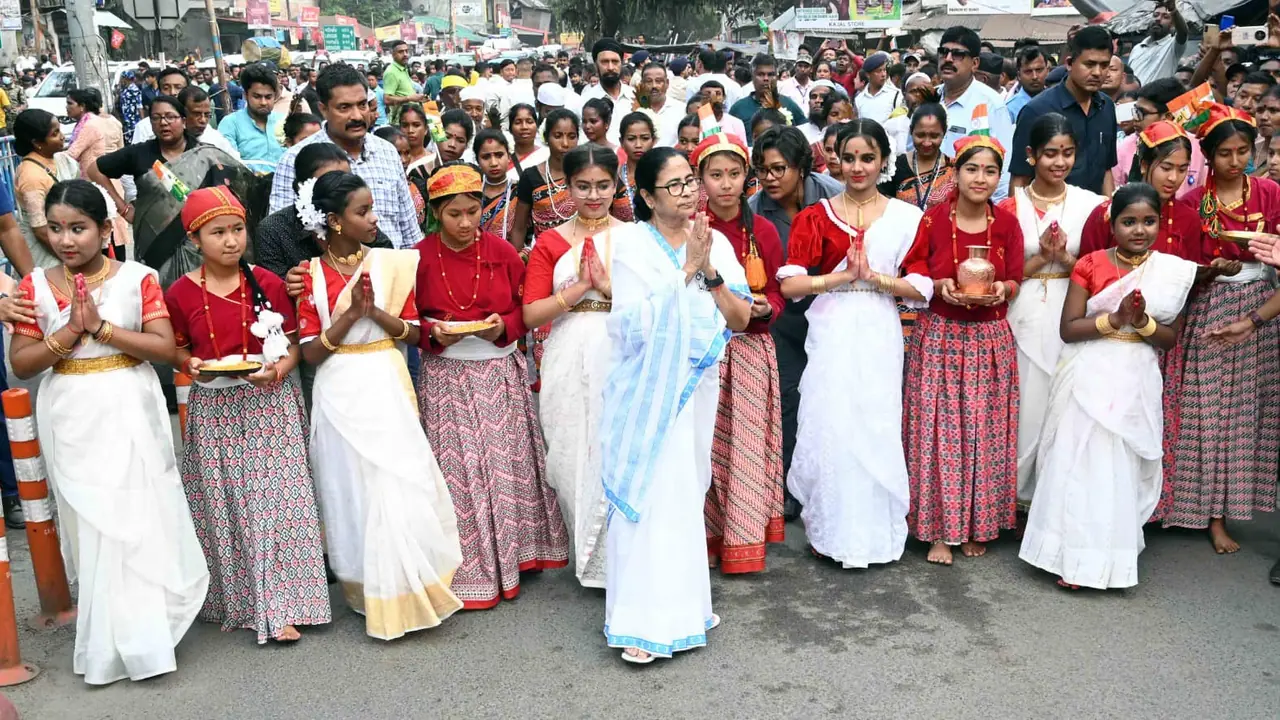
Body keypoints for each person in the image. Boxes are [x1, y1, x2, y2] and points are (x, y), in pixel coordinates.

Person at [10, 179, 209, 683]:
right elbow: (23, 363)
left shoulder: (138, 278)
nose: (65, 240)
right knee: (92, 522)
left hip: (129, 403)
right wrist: (70, 331)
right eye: (56, 229)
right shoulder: (34, 286)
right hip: (69, 412)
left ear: (104, 229)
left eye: (78, 228)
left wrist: (101, 329)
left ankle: (145, 634)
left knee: (138, 513)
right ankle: (107, 637)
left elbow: (163, 348)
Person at [294, 170, 464, 638]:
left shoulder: (391, 264)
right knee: (352, 489)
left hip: (386, 381)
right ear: (334, 221)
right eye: (363, 211)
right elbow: (310, 353)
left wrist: (375, 313)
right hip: (338, 390)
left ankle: (411, 588)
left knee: (397, 482)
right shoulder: (310, 275)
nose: (375, 219)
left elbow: (413, 332)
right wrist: (351, 314)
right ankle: (370, 590)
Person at [601, 146, 751, 663]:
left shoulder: (716, 241)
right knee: (652, 493)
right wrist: (685, 269)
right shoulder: (629, 244)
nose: (689, 192)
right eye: (675, 185)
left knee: (686, 490)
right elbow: (628, 326)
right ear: (646, 196)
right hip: (646, 388)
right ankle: (640, 624)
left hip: (695, 385)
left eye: (691, 181)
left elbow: (740, 319)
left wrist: (709, 270)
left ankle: (686, 611)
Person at [164, 187, 330, 644]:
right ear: (195, 239)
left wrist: (277, 370)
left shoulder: (268, 283)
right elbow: (177, 348)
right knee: (230, 505)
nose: (231, 240)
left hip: (269, 404)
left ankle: (284, 606)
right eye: (217, 232)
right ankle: (243, 600)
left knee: (279, 505)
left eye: (237, 229)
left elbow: (293, 346)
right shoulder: (180, 293)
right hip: (214, 409)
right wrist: (189, 364)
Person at [1020, 183, 1198, 589]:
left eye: (1149, 221)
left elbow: (1169, 339)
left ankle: (1108, 560)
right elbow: (1069, 329)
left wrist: (1142, 322)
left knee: (1118, 466)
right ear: (1112, 224)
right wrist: (1115, 320)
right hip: (1088, 372)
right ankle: (1066, 558)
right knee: (1078, 462)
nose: (1139, 230)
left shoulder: (1172, 272)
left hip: (1136, 376)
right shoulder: (1090, 264)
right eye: (1129, 222)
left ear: (1160, 223)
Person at [414, 163, 569, 609]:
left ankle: (517, 555)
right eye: (454, 214)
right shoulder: (418, 257)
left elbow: (527, 310)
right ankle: (468, 565)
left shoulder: (502, 252)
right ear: (436, 213)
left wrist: (503, 326)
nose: (466, 223)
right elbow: (407, 320)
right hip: (446, 377)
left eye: (472, 212)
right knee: (457, 471)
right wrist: (431, 333)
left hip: (499, 373)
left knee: (507, 466)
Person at [780, 119, 929, 568]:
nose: (857, 167)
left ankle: (877, 534)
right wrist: (842, 276)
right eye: (848, 158)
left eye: (867, 158)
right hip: (832, 326)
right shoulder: (814, 217)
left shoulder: (907, 218)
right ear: (835, 161)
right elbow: (791, 286)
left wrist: (875, 278)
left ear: (884, 161)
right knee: (831, 422)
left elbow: (921, 288)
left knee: (874, 421)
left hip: (880, 326)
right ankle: (830, 531)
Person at [903, 134, 1024, 566]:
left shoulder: (1006, 223)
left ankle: (975, 525)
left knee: (983, 433)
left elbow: (1016, 276)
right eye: (972, 169)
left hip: (989, 338)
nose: (980, 178)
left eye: (990, 171)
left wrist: (1002, 290)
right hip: (940, 334)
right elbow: (913, 264)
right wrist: (939, 284)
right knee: (937, 431)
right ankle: (939, 529)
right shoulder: (934, 218)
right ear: (955, 173)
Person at [1168, 104, 1280, 553]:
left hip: (1261, 309)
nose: (1235, 161)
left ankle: (1222, 515)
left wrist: (1253, 318)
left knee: (1244, 415)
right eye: (1225, 153)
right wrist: (1210, 270)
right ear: (1209, 156)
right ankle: (1189, 508)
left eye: (1243, 151)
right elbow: (1182, 268)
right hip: (1209, 306)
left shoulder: (1270, 193)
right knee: (1204, 413)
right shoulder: (1192, 202)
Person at [685, 132, 787, 573]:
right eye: (715, 175)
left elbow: (778, 292)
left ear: (747, 176)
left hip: (748, 352)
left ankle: (741, 540)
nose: (725, 184)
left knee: (742, 449)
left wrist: (768, 307)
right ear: (699, 180)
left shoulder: (762, 230)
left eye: (733, 174)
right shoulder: (690, 231)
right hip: (702, 352)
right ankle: (701, 538)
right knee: (703, 445)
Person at [522, 144, 622, 588]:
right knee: (568, 453)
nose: (593, 195)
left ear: (616, 186)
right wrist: (580, 288)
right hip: (566, 352)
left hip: (620, 350)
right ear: (567, 187)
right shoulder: (550, 242)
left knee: (613, 447)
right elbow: (531, 314)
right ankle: (587, 555)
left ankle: (620, 557)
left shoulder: (634, 238)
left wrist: (607, 287)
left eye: (602, 186)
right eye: (583, 186)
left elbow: (650, 304)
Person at [998, 113, 1106, 510]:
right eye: (1050, 154)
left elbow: (1102, 269)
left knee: (1064, 403)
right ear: (1031, 155)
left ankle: (1054, 498)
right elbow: (1002, 273)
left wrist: (1065, 258)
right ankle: (1015, 498)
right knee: (1026, 404)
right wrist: (1043, 257)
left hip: (1070, 309)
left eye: (1067, 153)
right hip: (1023, 309)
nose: (1059, 162)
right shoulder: (1010, 207)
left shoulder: (1092, 206)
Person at [748, 126, 843, 518]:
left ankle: (831, 484)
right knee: (788, 397)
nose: (770, 178)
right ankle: (788, 486)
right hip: (783, 317)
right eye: (762, 170)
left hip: (834, 311)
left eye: (779, 169)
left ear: (801, 167)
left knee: (832, 399)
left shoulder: (834, 195)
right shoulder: (754, 209)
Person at [89, 96, 250, 286]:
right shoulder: (139, 153)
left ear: (183, 120)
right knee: (157, 290)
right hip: (154, 242)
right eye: (156, 118)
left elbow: (238, 185)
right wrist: (123, 209)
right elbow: (94, 170)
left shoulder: (205, 153)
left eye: (170, 117)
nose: (163, 123)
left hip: (197, 243)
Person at [270, 64, 423, 251]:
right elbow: (280, 235)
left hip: (391, 266)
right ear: (323, 109)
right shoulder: (295, 159)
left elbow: (409, 229)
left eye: (362, 105)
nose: (357, 116)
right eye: (344, 107)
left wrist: (411, 264)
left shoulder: (388, 152)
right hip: (325, 268)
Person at [255, 142, 394, 282]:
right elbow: (271, 287)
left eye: (346, 179)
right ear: (302, 188)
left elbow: (390, 264)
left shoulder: (357, 223)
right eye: (331, 180)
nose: (345, 188)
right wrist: (289, 286)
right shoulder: (274, 230)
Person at [1011, 27, 1116, 197]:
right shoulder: (1036, 110)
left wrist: (1108, 209)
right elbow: (1020, 179)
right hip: (1047, 211)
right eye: (1089, 64)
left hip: (1096, 211)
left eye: (1104, 65)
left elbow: (1106, 170)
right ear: (1068, 63)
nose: (1097, 72)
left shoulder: (1107, 107)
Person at [936, 28, 1015, 200]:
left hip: (972, 204)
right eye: (943, 52)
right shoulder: (929, 99)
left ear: (975, 63)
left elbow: (1004, 164)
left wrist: (995, 208)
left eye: (958, 54)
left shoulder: (991, 104)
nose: (948, 59)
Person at [1111, 78, 1207, 199]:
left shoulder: (1199, 148)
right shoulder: (1123, 149)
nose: (1135, 118)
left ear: (1168, 117)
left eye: (1142, 113)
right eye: (1135, 111)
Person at [510, 108, 581, 246]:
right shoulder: (531, 177)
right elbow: (519, 228)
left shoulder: (586, 174)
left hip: (581, 251)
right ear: (546, 137)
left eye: (572, 137)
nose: (565, 143)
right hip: (544, 252)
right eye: (558, 136)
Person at [13, 109, 73, 271]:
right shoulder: (31, 175)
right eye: (55, 134)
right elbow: (40, 229)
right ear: (36, 142)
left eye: (60, 130)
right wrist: (69, 257)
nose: (62, 136)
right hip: (47, 250)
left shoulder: (60, 159)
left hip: (65, 239)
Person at [217, 62, 285, 175]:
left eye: (268, 97)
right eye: (257, 96)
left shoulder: (284, 122)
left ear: (275, 96)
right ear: (245, 95)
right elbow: (228, 164)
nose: (263, 102)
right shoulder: (230, 124)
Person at [884, 103, 954, 211]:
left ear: (944, 133)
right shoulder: (894, 166)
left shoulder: (953, 167)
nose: (927, 143)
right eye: (920, 135)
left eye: (934, 136)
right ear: (911, 131)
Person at [728, 54, 805, 139]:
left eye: (770, 74)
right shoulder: (738, 108)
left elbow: (806, 133)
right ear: (752, 77)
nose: (766, 79)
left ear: (777, 77)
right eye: (761, 74)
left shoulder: (789, 104)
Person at [581, 38, 635, 145]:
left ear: (622, 63)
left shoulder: (636, 96)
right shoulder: (584, 100)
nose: (610, 67)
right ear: (596, 65)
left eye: (615, 62)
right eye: (604, 62)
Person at [1128, 0, 1188, 85]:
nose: (1158, 19)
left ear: (1172, 25)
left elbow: (1183, 32)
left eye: (1165, 17)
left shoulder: (1173, 46)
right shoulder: (1137, 48)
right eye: (1155, 15)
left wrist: (1173, 10)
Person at [474, 129, 518, 245]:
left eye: (499, 155)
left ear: (509, 157)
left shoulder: (520, 190)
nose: (493, 163)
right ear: (477, 160)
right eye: (486, 157)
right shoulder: (472, 191)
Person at [615, 111, 655, 222]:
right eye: (631, 139)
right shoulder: (615, 177)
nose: (638, 145)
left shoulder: (662, 175)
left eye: (645, 138)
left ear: (653, 140)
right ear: (621, 142)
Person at [640, 62, 686, 147]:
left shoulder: (682, 110)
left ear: (667, 83)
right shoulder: (633, 109)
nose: (654, 86)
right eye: (649, 81)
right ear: (642, 84)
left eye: (658, 81)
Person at [854, 53, 903, 125]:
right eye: (879, 71)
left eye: (884, 70)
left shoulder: (896, 95)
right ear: (868, 75)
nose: (883, 74)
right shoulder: (859, 99)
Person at [383, 41, 423, 124]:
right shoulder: (391, 72)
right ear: (393, 55)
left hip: (410, 118)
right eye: (401, 52)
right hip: (400, 123)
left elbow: (403, 92)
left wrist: (418, 98)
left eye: (406, 51)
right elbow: (387, 99)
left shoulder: (404, 69)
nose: (405, 54)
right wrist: (409, 98)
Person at [1007, 46, 1050, 123]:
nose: (1034, 77)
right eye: (1028, 71)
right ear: (1019, 75)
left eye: (1039, 70)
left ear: (1047, 71)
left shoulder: (1057, 101)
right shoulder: (1010, 108)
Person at [507, 103, 546, 176]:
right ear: (510, 128)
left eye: (529, 122)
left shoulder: (546, 155)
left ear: (536, 126)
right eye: (518, 122)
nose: (524, 127)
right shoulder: (504, 160)